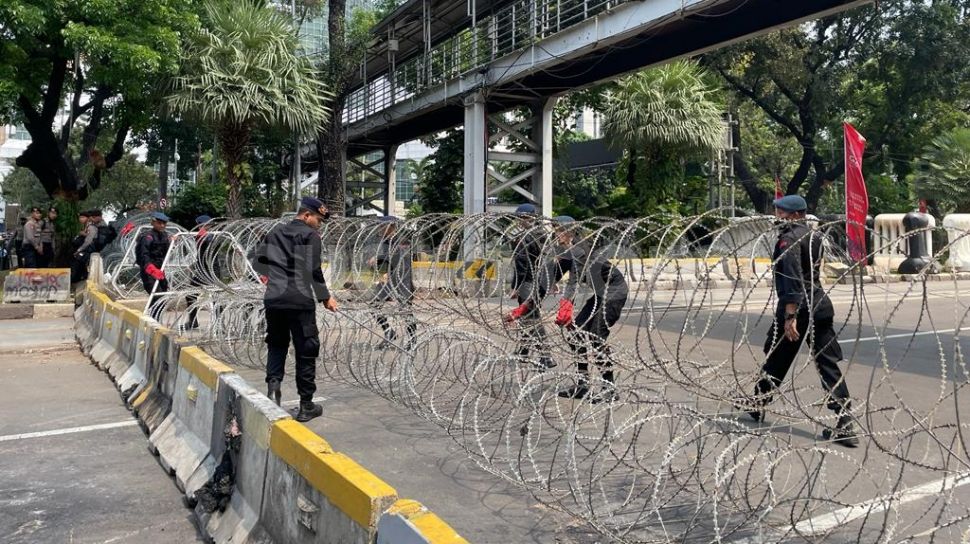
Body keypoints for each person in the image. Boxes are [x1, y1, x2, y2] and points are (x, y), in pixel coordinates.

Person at [738, 194, 858, 448]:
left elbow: (791, 278)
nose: (776, 216)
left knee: (778, 356)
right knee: (825, 363)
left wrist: (790, 316)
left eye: (780, 212)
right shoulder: (814, 236)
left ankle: (759, 402)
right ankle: (845, 421)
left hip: (800, 307)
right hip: (819, 303)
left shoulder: (789, 238)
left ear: (793, 215)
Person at [254, 197, 337, 422]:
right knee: (306, 349)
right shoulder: (310, 236)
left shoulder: (275, 233)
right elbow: (313, 270)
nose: (319, 224)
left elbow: (259, 263)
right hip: (299, 300)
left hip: (274, 298)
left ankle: (273, 389)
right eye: (318, 219)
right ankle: (306, 404)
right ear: (306, 215)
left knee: (277, 344)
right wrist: (325, 298)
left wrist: (272, 277)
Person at [551, 216, 629, 403]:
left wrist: (566, 304)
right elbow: (569, 277)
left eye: (559, 230)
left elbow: (574, 279)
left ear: (570, 230)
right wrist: (565, 303)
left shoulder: (580, 248)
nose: (556, 234)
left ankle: (609, 388)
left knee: (596, 335)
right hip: (601, 293)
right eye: (555, 230)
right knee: (575, 332)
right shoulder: (570, 249)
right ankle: (582, 384)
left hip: (614, 291)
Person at [504, 203, 555, 370]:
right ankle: (524, 351)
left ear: (531, 218)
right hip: (541, 280)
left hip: (528, 282)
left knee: (531, 317)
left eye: (523, 218)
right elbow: (549, 260)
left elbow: (522, 263)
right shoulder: (543, 235)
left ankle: (546, 357)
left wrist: (516, 287)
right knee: (527, 315)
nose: (520, 221)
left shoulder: (526, 236)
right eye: (519, 218)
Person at [366, 216, 416, 350]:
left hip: (403, 280)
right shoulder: (386, 241)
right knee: (374, 305)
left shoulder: (402, 240)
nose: (379, 229)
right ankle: (389, 332)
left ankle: (412, 340)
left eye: (382, 227)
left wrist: (378, 258)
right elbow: (389, 260)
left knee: (405, 310)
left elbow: (398, 258)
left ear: (391, 227)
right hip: (390, 279)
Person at [184, 215, 219, 330]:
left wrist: (203, 236)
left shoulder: (212, 235)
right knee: (190, 294)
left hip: (211, 272)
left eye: (201, 225)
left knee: (216, 298)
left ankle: (219, 325)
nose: (199, 228)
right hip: (201, 271)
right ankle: (193, 321)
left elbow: (210, 242)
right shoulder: (202, 235)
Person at [136, 212, 172, 321]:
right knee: (156, 295)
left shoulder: (164, 235)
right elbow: (143, 255)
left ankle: (154, 318)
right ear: (153, 222)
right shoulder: (147, 236)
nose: (162, 226)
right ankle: (153, 319)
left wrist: (172, 242)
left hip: (160, 270)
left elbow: (166, 252)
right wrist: (151, 269)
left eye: (164, 224)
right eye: (159, 223)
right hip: (149, 271)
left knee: (163, 296)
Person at [71, 210, 98, 283]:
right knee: (80, 265)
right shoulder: (85, 227)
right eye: (80, 217)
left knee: (79, 264)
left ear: (88, 218)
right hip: (84, 250)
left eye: (83, 217)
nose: (81, 219)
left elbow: (88, 241)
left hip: (88, 250)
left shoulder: (91, 227)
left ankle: (77, 279)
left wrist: (79, 250)